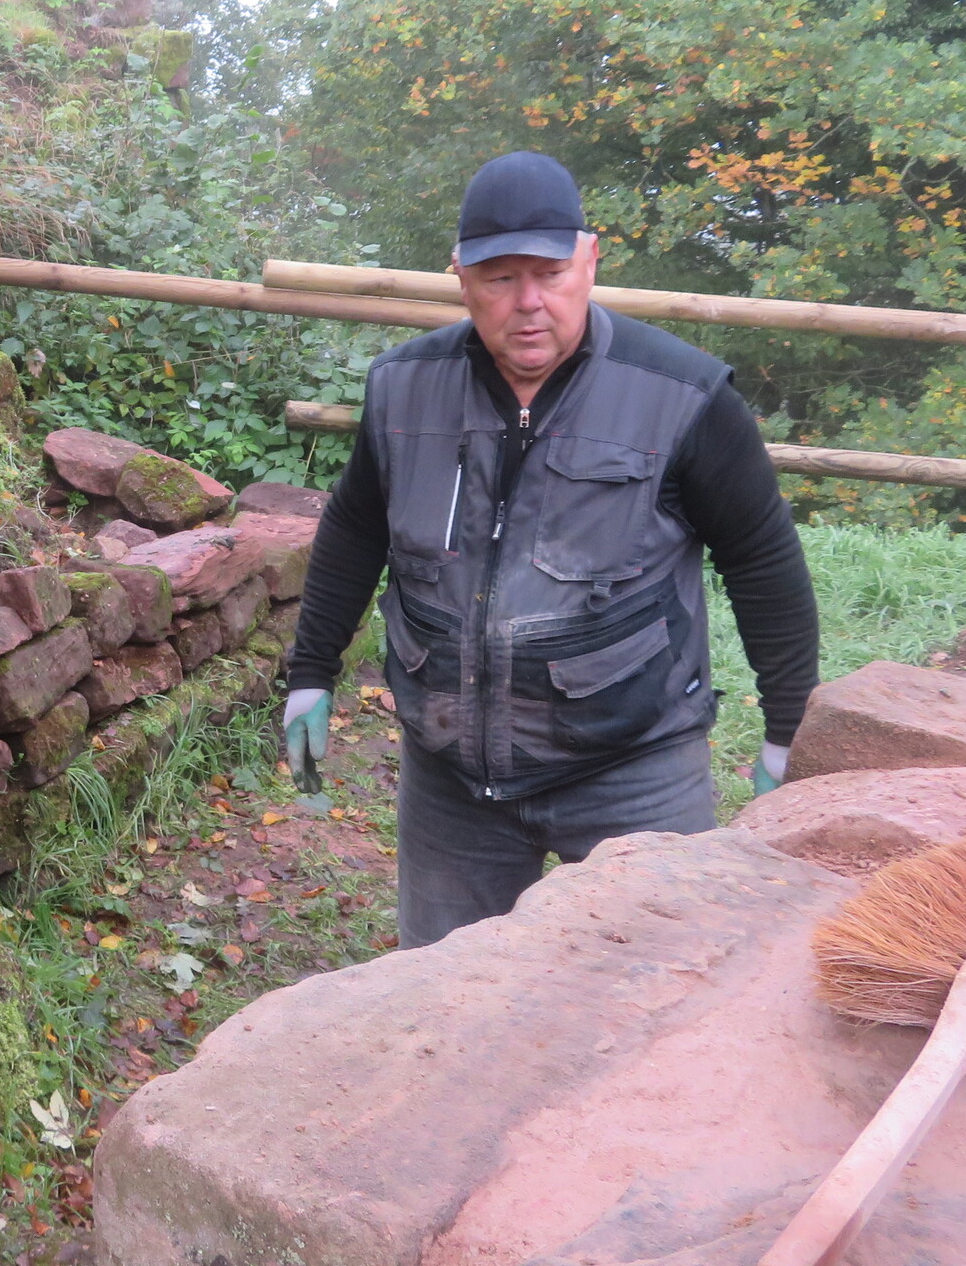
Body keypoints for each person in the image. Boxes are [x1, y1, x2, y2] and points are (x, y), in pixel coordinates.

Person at [281, 151, 819, 947]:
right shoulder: (404, 390)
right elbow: (356, 528)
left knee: (652, 989)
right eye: (500, 278)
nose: (529, 303)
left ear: (589, 261)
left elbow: (762, 560)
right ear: (461, 277)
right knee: (446, 996)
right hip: (451, 783)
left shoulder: (682, 397)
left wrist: (787, 730)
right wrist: (311, 673)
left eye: (551, 273)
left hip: (634, 771)